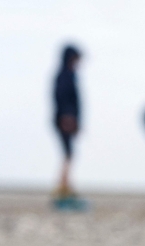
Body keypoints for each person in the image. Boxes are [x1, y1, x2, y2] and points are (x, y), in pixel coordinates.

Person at [53, 44, 82, 199]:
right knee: (68, 153)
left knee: (69, 153)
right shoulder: (64, 75)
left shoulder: (70, 74)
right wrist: (67, 117)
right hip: (64, 119)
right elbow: (62, 97)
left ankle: (65, 184)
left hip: (67, 118)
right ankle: (63, 186)